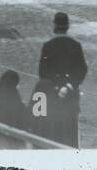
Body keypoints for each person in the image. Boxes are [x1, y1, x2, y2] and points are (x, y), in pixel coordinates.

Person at [36, 12, 86, 146]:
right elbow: (82, 71)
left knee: (55, 133)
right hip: (71, 96)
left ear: (55, 26)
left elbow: (42, 73)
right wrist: (68, 86)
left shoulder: (48, 46)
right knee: (72, 133)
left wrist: (56, 87)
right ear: (67, 26)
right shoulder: (76, 45)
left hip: (52, 97)